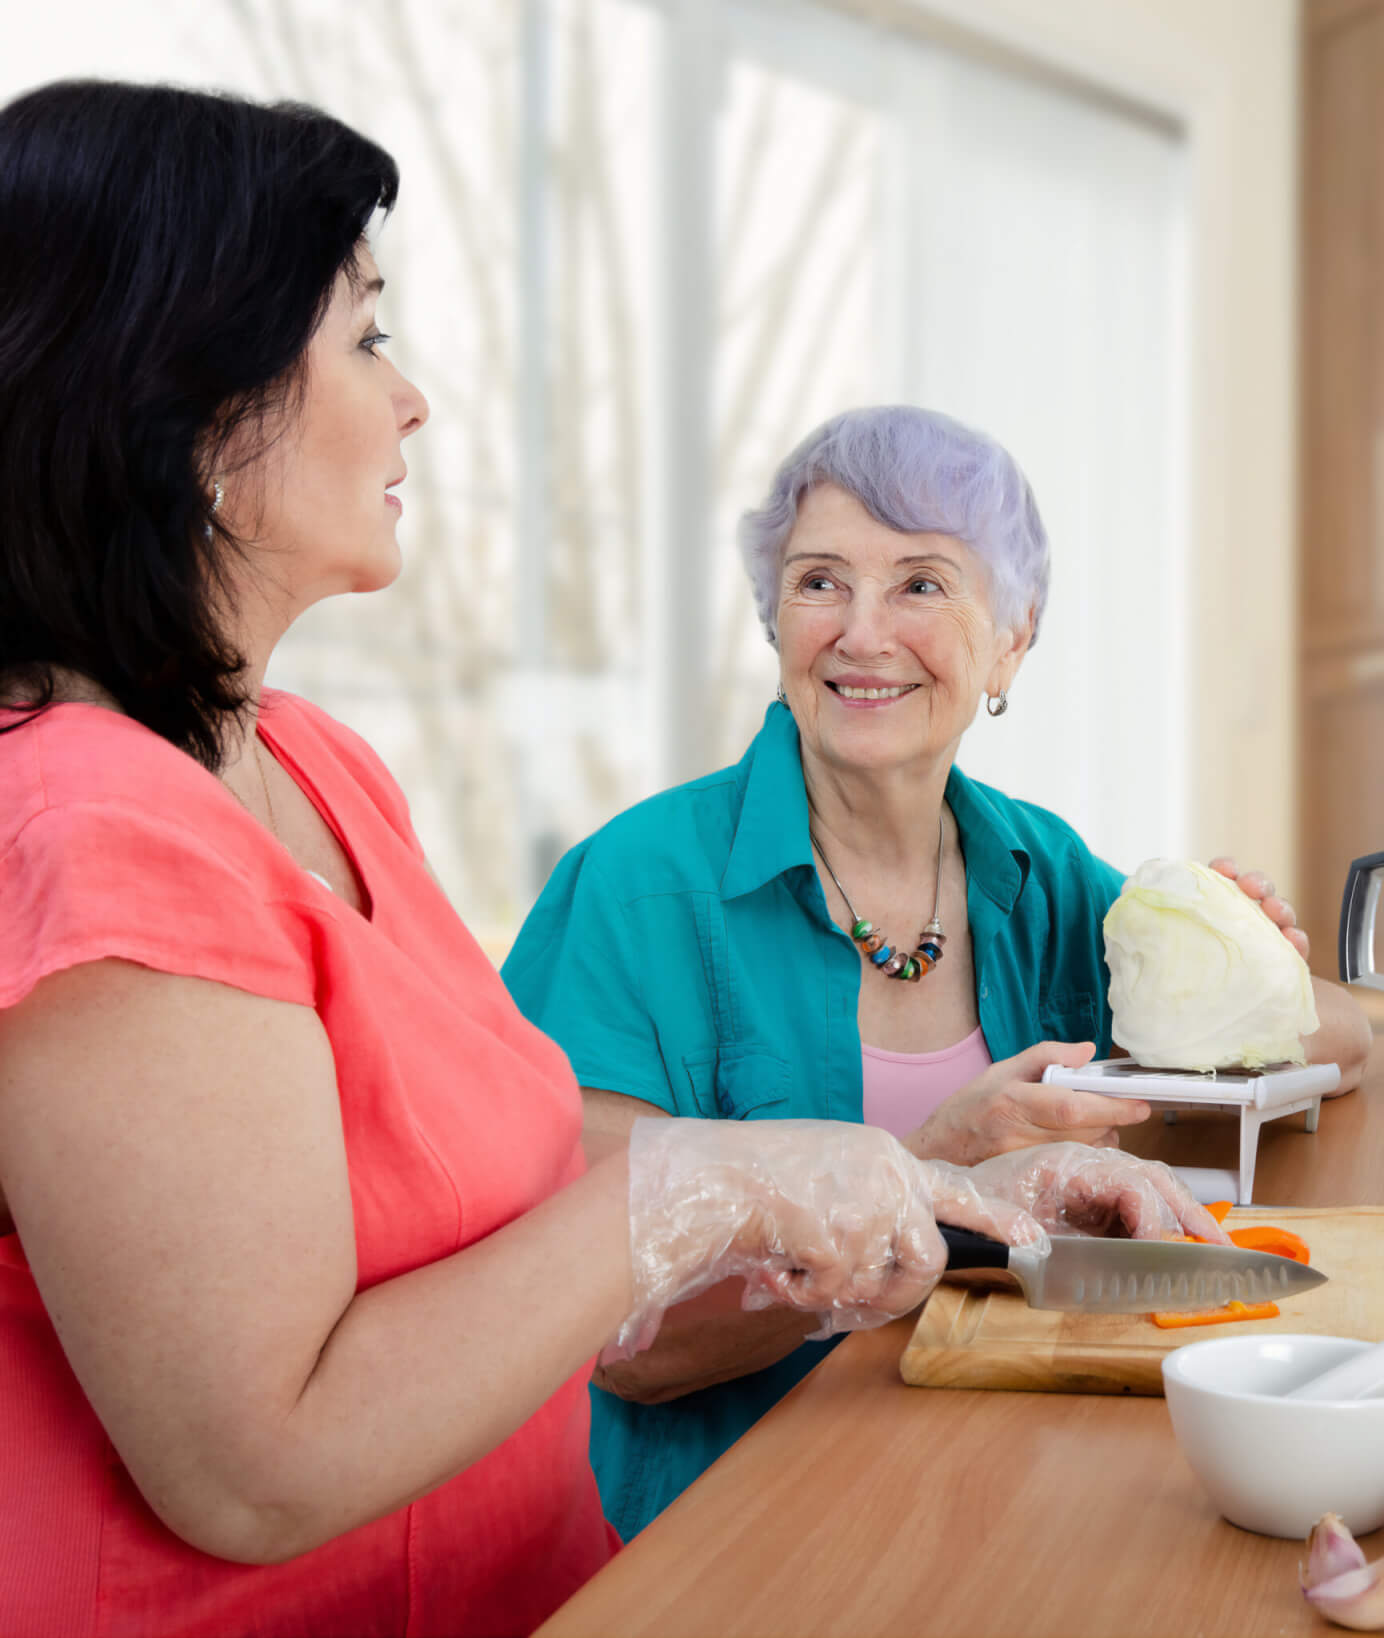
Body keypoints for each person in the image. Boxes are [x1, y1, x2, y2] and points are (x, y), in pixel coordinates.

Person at [0, 82, 1218, 1636]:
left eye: (924, 585)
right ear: (186, 411)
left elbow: (519, 1193)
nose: (414, 398)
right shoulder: (95, 832)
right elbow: (259, 1464)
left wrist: (937, 1178)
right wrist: (698, 1175)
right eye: (366, 338)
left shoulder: (305, 757)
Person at [503, 405, 1375, 1537]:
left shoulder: (1038, 868)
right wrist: (926, 1168)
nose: (862, 634)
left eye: (920, 585)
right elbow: (621, 1347)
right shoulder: (635, 893)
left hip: (1002, 1478)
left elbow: (1342, 1035)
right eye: (820, 582)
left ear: (1011, 639)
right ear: (774, 618)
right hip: (722, 1533)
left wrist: (1241, 978)